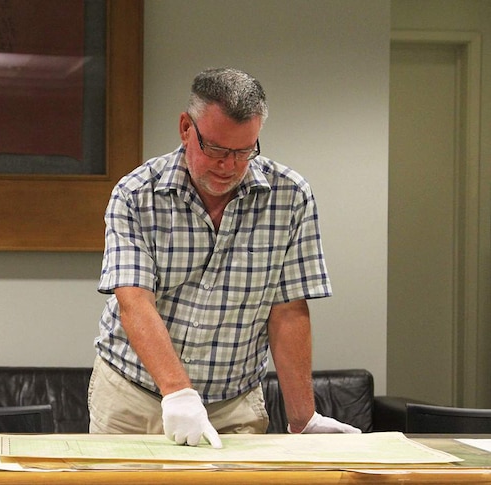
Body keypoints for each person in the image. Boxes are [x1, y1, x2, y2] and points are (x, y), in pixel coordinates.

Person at [88, 67, 359, 448]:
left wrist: (303, 418)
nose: (227, 166)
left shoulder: (290, 196)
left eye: (243, 151)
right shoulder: (136, 194)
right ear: (186, 128)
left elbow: (288, 309)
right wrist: (179, 393)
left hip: (235, 404)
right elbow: (134, 301)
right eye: (215, 148)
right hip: (135, 397)